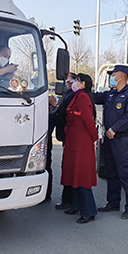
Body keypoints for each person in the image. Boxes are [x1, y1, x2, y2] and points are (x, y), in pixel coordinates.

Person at [94, 65, 128, 219]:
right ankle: (113, 202)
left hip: (123, 140)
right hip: (109, 140)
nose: (111, 77)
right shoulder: (111, 94)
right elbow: (95, 97)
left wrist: (114, 128)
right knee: (111, 172)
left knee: (126, 173)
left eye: (113, 74)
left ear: (121, 75)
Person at [61, 73, 99, 224]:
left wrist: (94, 137)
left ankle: (89, 211)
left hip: (81, 140)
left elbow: (88, 120)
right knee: (74, 173)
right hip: (74, 138)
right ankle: (76, 205)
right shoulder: (77, 96)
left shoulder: (83, 97)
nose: (74, 83)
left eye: (77, 80)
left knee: (81, 175)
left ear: (83, 84)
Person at [46, 72, 77, 205]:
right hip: (65, 134)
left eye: (69, 79)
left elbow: (68, 113)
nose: (66, 81)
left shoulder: (76, 95)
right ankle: (66, 198)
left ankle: (69, 200)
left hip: (71, 135)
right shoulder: (67, 94)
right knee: (67, 166)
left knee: (70, 167)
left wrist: (56, 104)